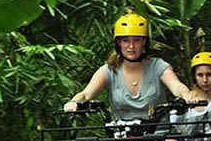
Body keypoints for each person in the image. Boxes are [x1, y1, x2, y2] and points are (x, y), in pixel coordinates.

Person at [63, 12, 194, 119]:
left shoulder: (158, 66)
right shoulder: (108, 71)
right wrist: (74, 102)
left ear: (144, 42)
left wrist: (186, 95)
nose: (131, 46)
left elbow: (176, 86)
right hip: (121, 138)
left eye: (136, 40)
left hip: (158, 136)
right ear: (118, 43)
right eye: (125, 40)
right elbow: (86, 94)